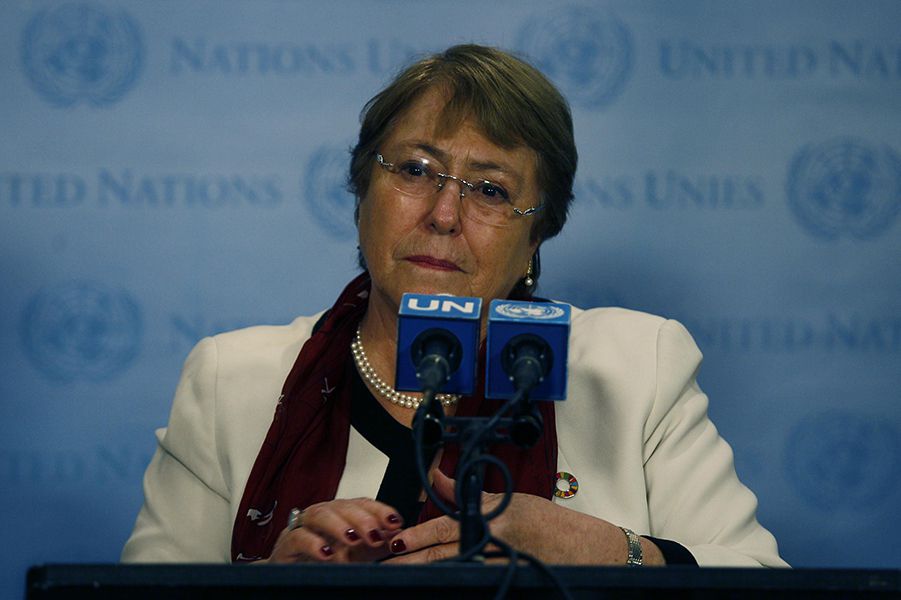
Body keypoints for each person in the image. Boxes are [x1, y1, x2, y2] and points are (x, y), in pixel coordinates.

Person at [121, 44, 786, 568]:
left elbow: (757, 578)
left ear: (536, 234)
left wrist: (611, 554)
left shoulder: (636, 369)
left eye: (490, 191)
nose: (443, 214)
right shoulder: (230, 380)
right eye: (414, 171)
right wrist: (275, 587)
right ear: (362, 193)